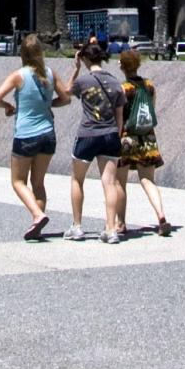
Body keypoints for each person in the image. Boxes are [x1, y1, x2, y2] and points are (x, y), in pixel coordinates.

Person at [0, 33, 59, 240]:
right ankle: (37, 223)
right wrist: (48, 104)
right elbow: (65, 98)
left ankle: (37, 216)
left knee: (18, 181)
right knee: (38, 183)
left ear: (22, 53)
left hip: (26, 135)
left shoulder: (18, 75)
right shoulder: (50, 74)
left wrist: (8, 106)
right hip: (48, 134)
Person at [63, 36, 126, 240]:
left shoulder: (83, 81)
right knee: (109, 182)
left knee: (77, 179)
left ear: (85, 59)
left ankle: (77, 226)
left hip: (87, 134)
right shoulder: (116, 82)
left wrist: (75, 68)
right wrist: (116, 135)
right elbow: (119, 117)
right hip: (109, 134)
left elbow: (66, 91)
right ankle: (110, 228)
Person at [115, 47, 175, 238]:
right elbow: (151, 110)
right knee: (148, 179)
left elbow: (119, 117)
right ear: (138, 65)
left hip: (126, 137)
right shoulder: (149, 86)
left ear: (121, 66)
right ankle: (161, 215)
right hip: (148, 137)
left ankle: (121, 223)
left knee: (119, 182)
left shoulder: (123, 89)